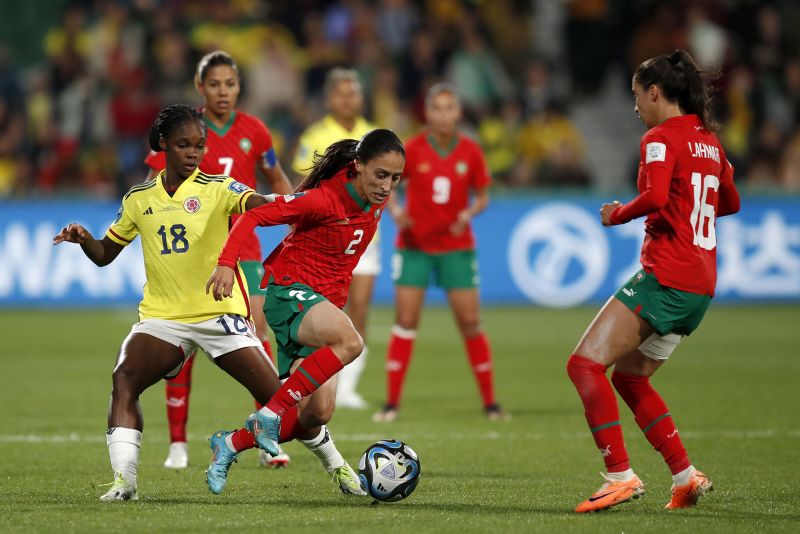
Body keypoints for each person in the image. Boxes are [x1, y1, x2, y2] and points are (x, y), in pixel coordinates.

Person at [53, 104, 361, 502]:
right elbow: (105, 254)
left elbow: (262, 204)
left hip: (221, 314)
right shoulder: (138, 199)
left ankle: (338, 467)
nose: (194, 153)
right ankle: (124, 483)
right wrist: (84, 238)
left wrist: (302, 199)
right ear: (163, 145)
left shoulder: (221, 188)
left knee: (283, 404)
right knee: (124, 379)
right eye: (184, 145)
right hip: (164, 319)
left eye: (199, 145)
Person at [566, 50, 740, 513]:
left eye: (637, 96)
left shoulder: (660, 138)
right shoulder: (710, 141)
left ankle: (619, 475)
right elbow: (731, 201)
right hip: (700, 284)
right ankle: (686, 477)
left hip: (667, 276)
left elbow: (658, 195)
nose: (636, 107)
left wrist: (616, 214)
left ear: (655, 92)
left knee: (583, 366)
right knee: (630, 379)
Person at [204, 129, 405, 491]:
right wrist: (224, 263)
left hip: (322, 306)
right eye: (381, 175)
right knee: (351, 342)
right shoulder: (323, 200)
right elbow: (253, 217)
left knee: (316, 414)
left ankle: (230, 443)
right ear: (358, 167)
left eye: (395, 178)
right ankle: (267, 414)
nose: (387, 186)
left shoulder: (375, 197)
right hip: (290, 293)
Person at [144, 50, 293, 470]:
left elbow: (275, 178)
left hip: (245, 250)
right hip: (195, 253)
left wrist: (293, 215)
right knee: (183, 341)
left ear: (239, 86)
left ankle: (269, 435)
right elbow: (154, 181)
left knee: (256, 338)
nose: (223, 92)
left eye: (230, 84)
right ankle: (177, 443)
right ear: (200, 87)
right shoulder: (185, 129)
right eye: (215, 84)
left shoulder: (255, 131)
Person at [372, 83, 507, 423]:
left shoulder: (471, 151)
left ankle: (491, 404)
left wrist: (469, 213)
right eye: (437, 109)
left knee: (471, 323)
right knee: (405, 322)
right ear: (427, 113)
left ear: (458, 112)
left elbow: (483, 196)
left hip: (456, 248)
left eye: (450, 108)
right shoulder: (413, 148)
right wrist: (397, 212)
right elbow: (387, 186)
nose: (444, 115)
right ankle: (391, 404)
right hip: (415, 247)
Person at [291, 68, 377, 409]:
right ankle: (322, 381)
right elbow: (304, 184)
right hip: (323, 239)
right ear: (329, 98)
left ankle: (349, 387)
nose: (348, 99)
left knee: (359, 310)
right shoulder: (315, 135)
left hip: (364, 236)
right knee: (326, 313)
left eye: (353, 93)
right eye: (341, 93)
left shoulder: (374, 135)